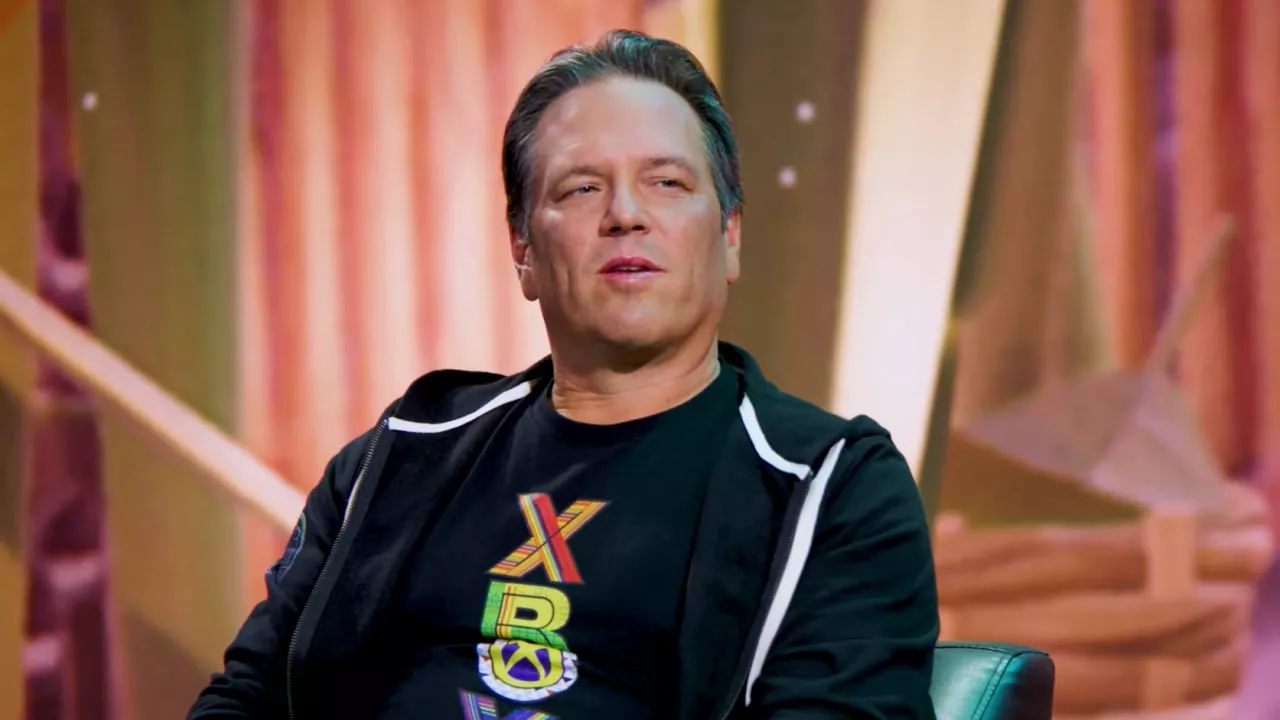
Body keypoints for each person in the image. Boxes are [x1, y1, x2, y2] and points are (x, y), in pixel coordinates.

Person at [189, 29, 938, 719]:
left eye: (667, 183)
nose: (625, 215)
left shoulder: (830, 485)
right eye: (581, 188)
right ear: (522, 249)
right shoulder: (402, 453)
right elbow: (247, 698)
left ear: (730, 235)